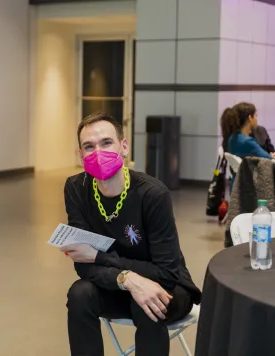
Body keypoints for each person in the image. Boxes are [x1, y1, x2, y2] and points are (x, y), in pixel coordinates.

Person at [62, 112, 201, 356]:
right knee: (79, 293)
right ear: (80, 155)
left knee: (146, 300)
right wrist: (126, 279)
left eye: (106, 143)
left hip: (170, 289)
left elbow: (166, 274)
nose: (98, 152)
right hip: (118, 286)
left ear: (124, 147)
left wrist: (101, 257)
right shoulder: (76, 188)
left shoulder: (153, 194)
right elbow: (83, 266)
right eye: (88, 146)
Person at [220, 102, 274, 192]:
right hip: (250, 189)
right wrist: (271, 156)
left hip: (237, 186)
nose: (257, 119)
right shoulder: (247, 142)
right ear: (250, 118)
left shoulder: (232, 138)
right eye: (255, 116)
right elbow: (269, 160)